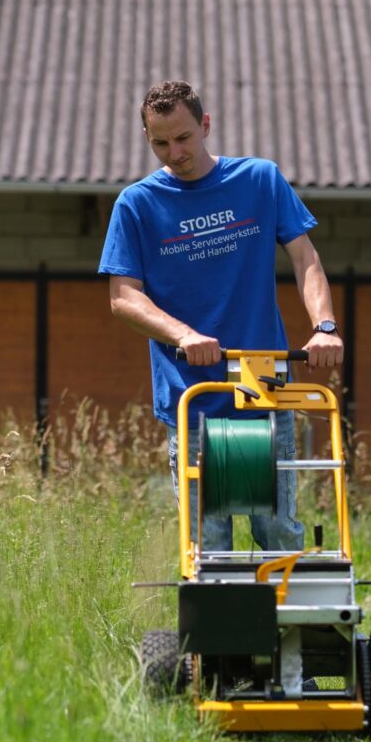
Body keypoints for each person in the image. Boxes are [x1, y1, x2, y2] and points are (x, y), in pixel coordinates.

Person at [98, 80, 343, 552]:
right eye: (160, 143)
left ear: (205, 125)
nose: (174, 152)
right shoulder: (137, 205)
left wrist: (324, 328)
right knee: (208, 545)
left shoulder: (259, 181)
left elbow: (305, 259)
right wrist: (184, 335)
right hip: (193, 395)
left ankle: (286, 625)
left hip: (265, 390)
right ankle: (216, 625)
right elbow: (123, 297)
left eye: (184, 138)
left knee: (277, 532)